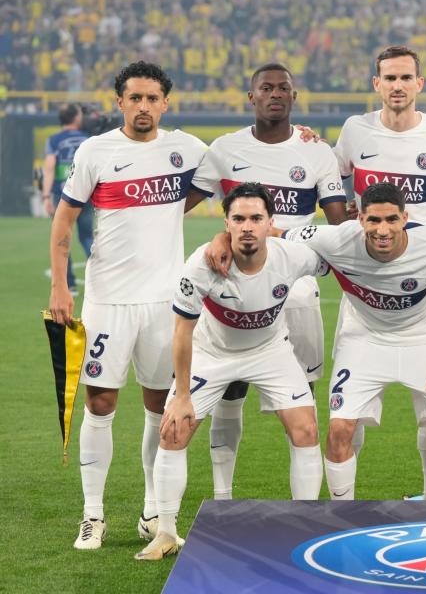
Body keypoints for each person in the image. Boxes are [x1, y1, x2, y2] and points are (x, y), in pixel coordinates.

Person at [47, 61, 208, 550]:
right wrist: (60, 286)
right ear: (120, 103)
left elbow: (234, 163)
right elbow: (63, 222)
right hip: (108, 299)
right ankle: (92, 515)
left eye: (151, 98)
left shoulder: (186, 148)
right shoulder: (96, 151)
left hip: (165, 301)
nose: (143, 106)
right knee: (100, 403)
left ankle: (151, 509)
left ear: (165, 103)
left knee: (160, 407)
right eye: (134, 98)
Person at [136, 183, 328, 561]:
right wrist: (183, 397)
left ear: (271, 223)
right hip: (213, 352)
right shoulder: (201, 265)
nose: (247, 227)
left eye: (256, 218)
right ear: (226, 223)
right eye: (238, 219)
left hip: (270, 350)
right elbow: (182, 333)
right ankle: (167, 533)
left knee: (306, 428)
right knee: (173, 429)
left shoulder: (294, 257)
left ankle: (306, 525)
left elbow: (336, 257)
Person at [191, 63, 347, 502]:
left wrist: (289, 237)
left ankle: (306, 506)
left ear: (294, 98)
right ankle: (223, 497)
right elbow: (181, 204)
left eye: (284, 88)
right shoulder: (223, 149)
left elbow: (336, 227)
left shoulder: (317, 152)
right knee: (230, 388)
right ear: (251, 96)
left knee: (302, 398)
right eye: (266, 88)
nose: (275, 94)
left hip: (297, 290)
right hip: (236, 287)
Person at [332, 46, 426, 498]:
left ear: (419, 84)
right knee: (345, 421)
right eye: (388, 78)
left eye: (405, 78)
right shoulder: (355, 131)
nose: (397, 86)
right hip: (365, 289)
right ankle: (341, 510)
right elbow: (329, 183)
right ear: (377, 84)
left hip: (424, 287)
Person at [284, 182, 426, 501]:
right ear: (360, 220)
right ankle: (342, 517)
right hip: (364, 338)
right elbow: (276, 234)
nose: (382, 230)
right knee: (340, 429)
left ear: (405, 218)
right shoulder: (335, 239)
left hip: (424, 335)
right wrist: (222, 238)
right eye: (373, 220)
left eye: (391, 220)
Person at [42, 103, 92, 293]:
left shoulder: (54, 140)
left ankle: (68, 284)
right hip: (86, 194)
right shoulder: (88, 138)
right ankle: (98, 279)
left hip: (62, 195)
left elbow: (49, 168)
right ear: (77, 117)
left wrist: (46, 196)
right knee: (87, 237)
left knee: (62, 236)